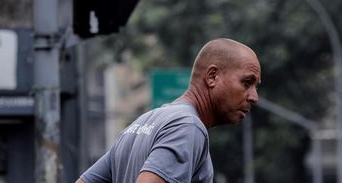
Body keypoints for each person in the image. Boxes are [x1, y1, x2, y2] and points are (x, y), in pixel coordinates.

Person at [77, 38, 261, 183]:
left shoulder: (141, 123)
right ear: (212, 76)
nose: (254, 97)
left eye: (256, 86)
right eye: (247, 83)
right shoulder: (188, 127)